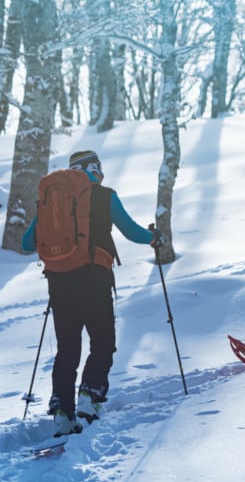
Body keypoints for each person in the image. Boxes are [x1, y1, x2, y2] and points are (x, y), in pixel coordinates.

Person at [22, 150, 161, 436]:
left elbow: (26, 243)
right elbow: (132, 231)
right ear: (95, 169)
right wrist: (154, 237)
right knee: (102, 341)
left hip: (58, 282)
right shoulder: (105, 195)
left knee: (67, 348)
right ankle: (89, 397)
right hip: (94, 277)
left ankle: (62, 410)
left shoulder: (52, 201)